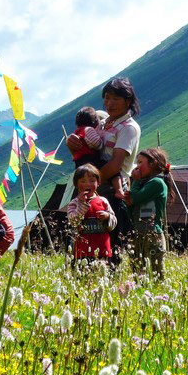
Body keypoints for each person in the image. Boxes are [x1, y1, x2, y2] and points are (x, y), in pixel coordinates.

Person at [66, 77, 141, 265]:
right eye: (107, 98)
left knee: (108, 241)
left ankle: (107, 276)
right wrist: (72, 145)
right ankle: (79, 274)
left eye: (116, 98)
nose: (110, 103)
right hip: (91, 186)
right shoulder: (102, 122)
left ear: (128, 101)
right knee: (80, 236)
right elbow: (87, 150)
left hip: (110, 190)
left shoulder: (129, 128)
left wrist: (90, 184)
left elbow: (115, 165)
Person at [125, 148, 174, 280]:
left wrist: (135, 181)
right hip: (140, 232)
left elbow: (136, 198)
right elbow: (133, 202)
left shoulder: (157, 183)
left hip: (152, 233)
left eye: (141, 162)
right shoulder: (146, 183)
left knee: (156, 272)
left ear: (153, 163)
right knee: (138, 272)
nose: (137, 166)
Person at [66, 164, 117, 264]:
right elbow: (72, 221)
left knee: (102, 270)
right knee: (83, 270)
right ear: (76, 184)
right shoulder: (74, 203)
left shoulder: (103, 201)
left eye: (92, 181)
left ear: (98, 183)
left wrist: (107, 216)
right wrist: (82, 204)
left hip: (102, 246)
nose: (87, 184)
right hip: (82, 248)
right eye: (83, 181)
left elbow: (114, 221)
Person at [70, 106, 124, 200]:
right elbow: (97, 144)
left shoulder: (77, 132)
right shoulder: (88, 130)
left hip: (79, 163)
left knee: (84, 180)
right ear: (94, 121)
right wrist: (101, 142)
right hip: (90, 160)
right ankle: (119, 190)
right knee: (112, 170)